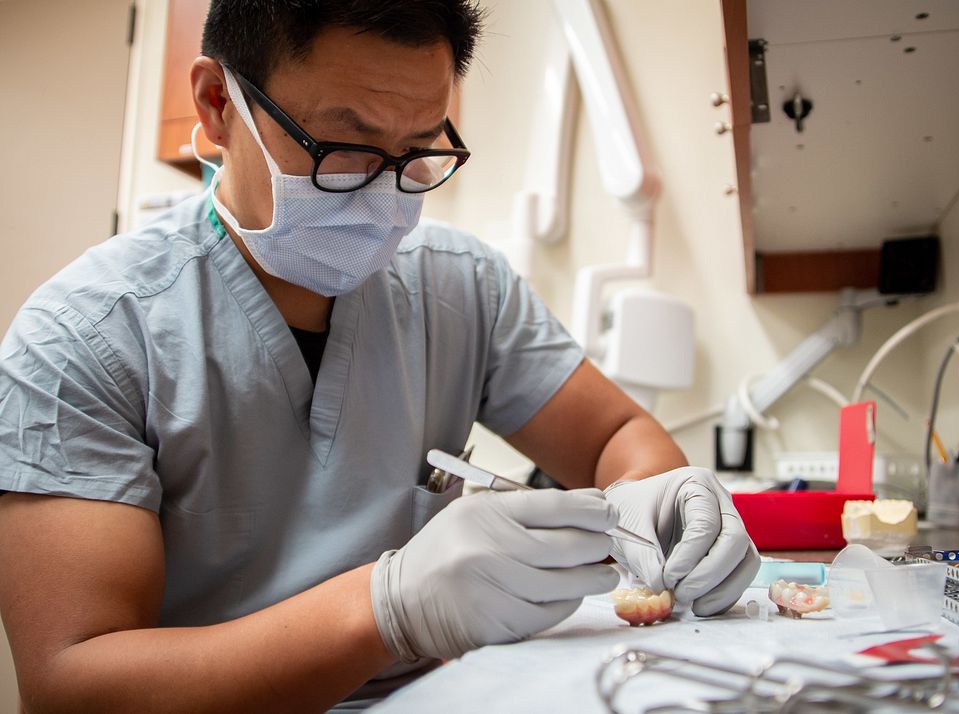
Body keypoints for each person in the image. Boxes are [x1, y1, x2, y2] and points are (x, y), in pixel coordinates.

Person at [0, 1, 759, 711]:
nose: (382, 199)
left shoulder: (462, 287)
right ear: (219, 105)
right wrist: (385, 609)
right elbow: (72, 681)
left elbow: (612, 438)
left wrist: (656, 499)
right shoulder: (86, 338)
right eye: (343, 149)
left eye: (417, 150)